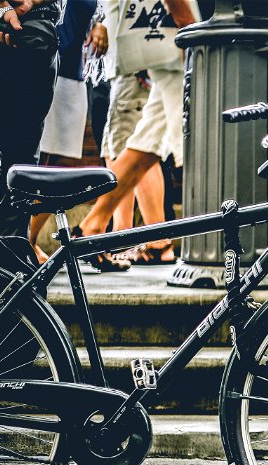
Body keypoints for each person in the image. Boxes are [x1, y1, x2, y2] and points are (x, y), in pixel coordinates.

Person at [74, 0, 196, 270]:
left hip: (156, 43)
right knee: (191, 140)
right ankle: (216, 241)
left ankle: (96, 226)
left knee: (148, 140)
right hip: (169, 41)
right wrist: (189, 25)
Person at [29, 0, 107, 262]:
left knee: (57, 162)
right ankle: (23, 240)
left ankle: (27, 238)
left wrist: (99, 23)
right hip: (50, 62)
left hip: (72, 69)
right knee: (40, 160)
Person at [0, 0, 63, 238]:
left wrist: (1, 9)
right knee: (19, 159)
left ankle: (6, 254)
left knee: (17, 160)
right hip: (31, 29)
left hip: (27, 29)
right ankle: (8, 256)